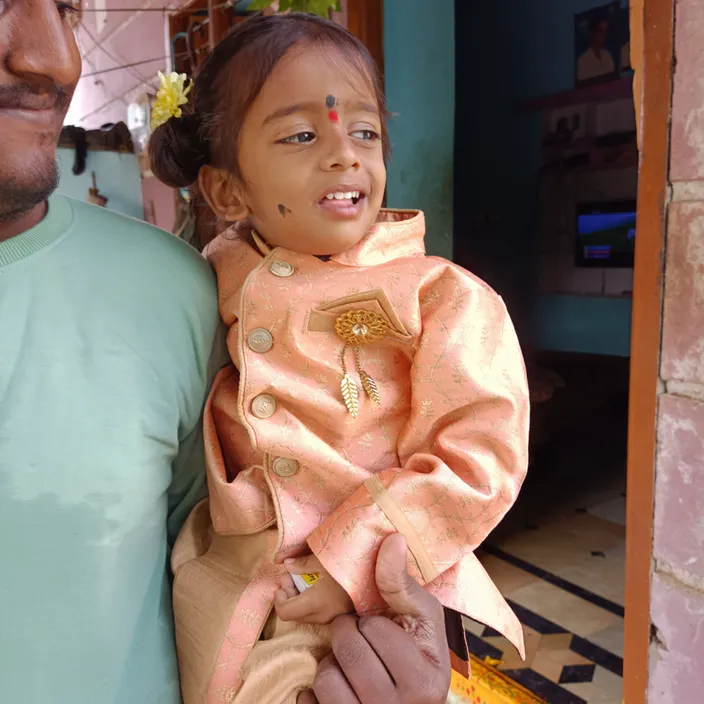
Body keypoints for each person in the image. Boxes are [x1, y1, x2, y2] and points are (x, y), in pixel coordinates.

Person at [0, 3, 454, 703]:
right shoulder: (226, 275)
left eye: (61, 4)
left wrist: (377, 628)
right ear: (227, 190)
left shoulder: (178, 290)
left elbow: (225, 549)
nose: (52, 57)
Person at [149, 13, 530, 704]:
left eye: (365, 132)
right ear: (227, 191)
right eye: (301, 135)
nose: (345, 154)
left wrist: (344, 564)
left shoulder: (440, 297)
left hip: (373, 588)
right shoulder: (207, 279)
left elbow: (481, 456)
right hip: (230, 570)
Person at [577, 17, 616, 83]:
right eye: (600, 31)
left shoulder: (608, 55)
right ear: (592, 32)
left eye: (605, 31)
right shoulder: (583, 60)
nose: (603, 35)